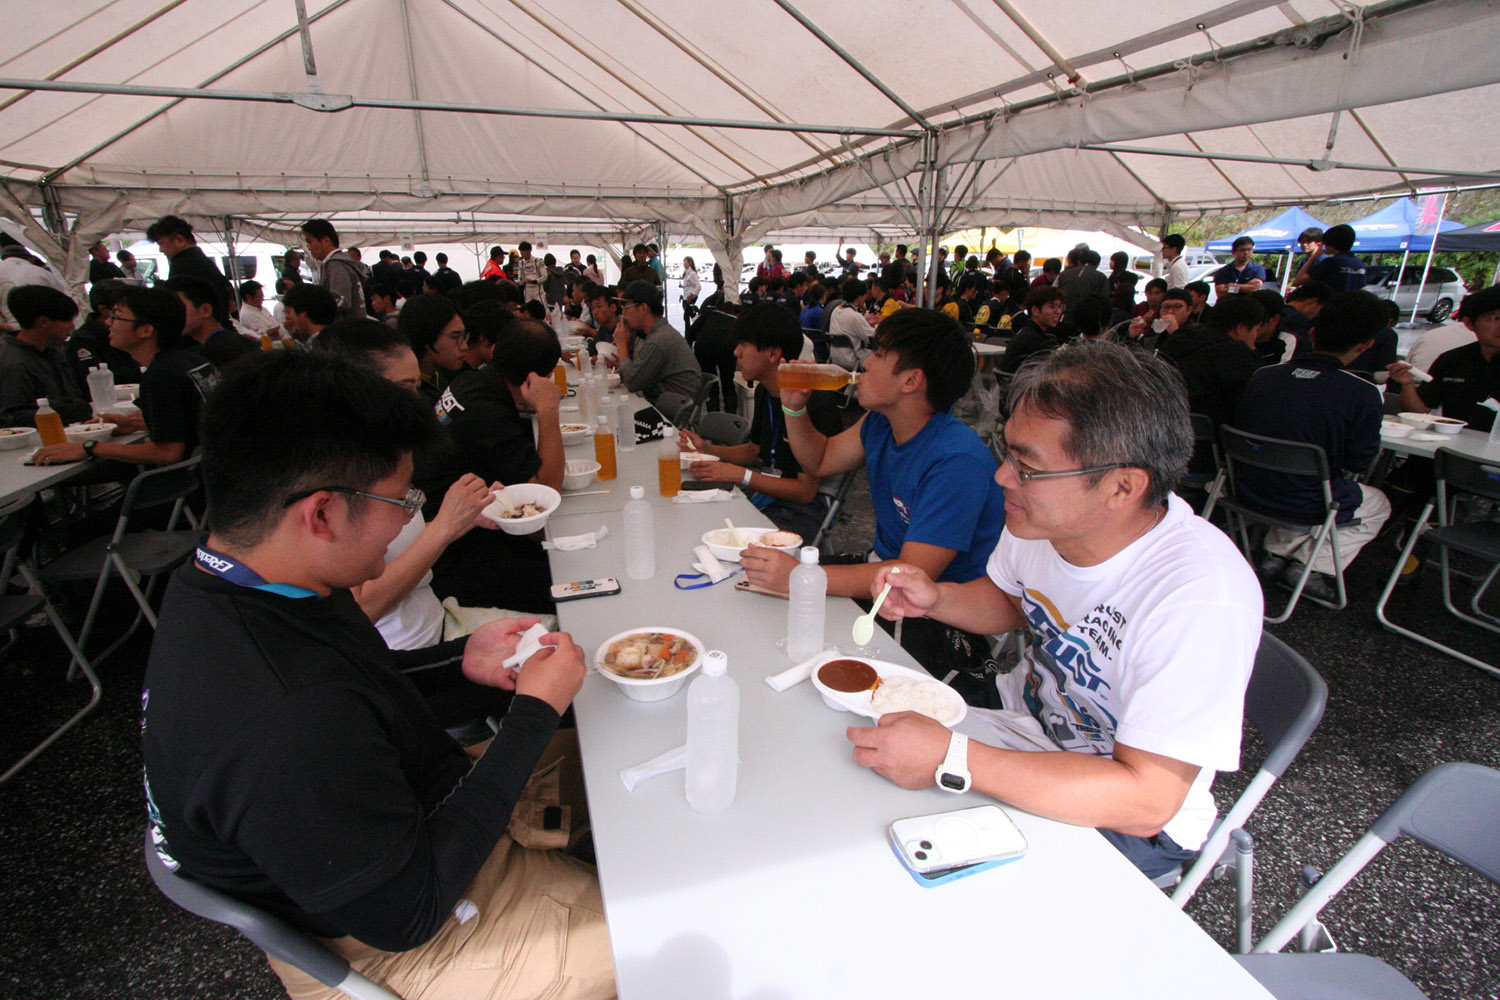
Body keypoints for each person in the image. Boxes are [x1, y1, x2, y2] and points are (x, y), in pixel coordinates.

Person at [141, 350, 613, 1000]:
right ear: (323, 514)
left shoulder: (253, 580)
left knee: (620, 754)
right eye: (400, 500)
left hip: (405, 811)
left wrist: (461, 665)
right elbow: (407, 911)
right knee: (674, 932)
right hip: (399, 923)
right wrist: (530, 716)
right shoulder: (278, 716)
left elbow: (354, 700)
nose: (406, 518)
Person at [851, 340, 1261, 879]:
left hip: (1120, 813)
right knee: (859, 783)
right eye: (1008, 452)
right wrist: (938, 597)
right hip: (1024, 731)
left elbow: (1147, 799)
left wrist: (954, 758)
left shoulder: (1198, 597)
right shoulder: (1041, 523)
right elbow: (1011, 602)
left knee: (909, 872)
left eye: (1028, 467)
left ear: (1122, 486)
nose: (1003, 478)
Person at [740, 309, 1007, 705]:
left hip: (937, 609)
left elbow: (907, 578)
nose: (864, 362)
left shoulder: (956, 461)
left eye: (879, 354)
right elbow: (820, 459)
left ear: (911, 381)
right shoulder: (880, 422)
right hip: (882, 570)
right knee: (765, 611)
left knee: (813, 658)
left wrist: (802, 578)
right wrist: (794, 407)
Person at [1235, 290, 1391, 599]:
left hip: (1244, 487)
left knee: (1300, 473)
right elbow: (1359, 460)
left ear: (1313, 333)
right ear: (1365, 345)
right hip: (1304, 499)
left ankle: (1276, 554)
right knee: (1374, 502)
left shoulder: (1264, 376)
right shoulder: (1363, 393)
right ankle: (1312, 566)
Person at [680, 303, 843, 540]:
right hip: (771, 494)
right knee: (700, 522)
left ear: (773, 354)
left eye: (744, 344)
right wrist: (708, 450)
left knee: (725, 538)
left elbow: (806, 492)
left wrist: (740, 475)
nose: (736, 352)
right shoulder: (765, 391)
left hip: (806, 509)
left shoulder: (815, 401)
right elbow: (754, 449)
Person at [32, 285, 217, 468]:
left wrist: (90, 447)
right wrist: (131, 423)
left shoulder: (161, 375)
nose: (108, 322)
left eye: (116, 317)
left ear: (145, 330)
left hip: (195, 481)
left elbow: (168, 453)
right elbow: (189, 423)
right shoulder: (192, 361)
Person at [1389, 284, 1500, 433]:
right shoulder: (1452, 360)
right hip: (1450, 446)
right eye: (1496, 318)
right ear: (1469, 324)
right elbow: (1419, 413)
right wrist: (1407, 384)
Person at [1157, 293, 1265, 430]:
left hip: (1162, 427)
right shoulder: (1240, 357)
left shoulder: (1178, 339)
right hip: (1213, 439)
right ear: (1241, 328)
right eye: (1256, 330)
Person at [0, 285, 91, 426]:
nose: (72, 326)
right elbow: (12, 416)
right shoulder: (13, 362)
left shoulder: (55, 350)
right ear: (43, 321)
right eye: (67, 320)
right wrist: (72, 411)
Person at [607, 280, 701, 404]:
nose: (623, 313)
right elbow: (638, 373)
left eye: (626, 307)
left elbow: (632, 382)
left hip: (668, 416)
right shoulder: (659, 333)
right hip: (666, 405)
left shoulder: (658, 340)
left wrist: (622, 346)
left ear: (643, 308)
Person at [147, 216, 234, 328]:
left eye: (161, 243)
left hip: (202, 332)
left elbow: (177, 306)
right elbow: (229, 296)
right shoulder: (204, 261)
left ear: (180, 240)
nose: (161, 250)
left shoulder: (183, 265)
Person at [172, 276, 258, 370]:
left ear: (206, 310)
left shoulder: (216, 354)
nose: (173, 313)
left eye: (179, 306)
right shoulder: (238, 342)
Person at [68, 279, 143, 386]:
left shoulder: (131, 327)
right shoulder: (83, 339)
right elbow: (94, 378)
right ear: (103, 309)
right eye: (123, 307)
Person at [300, 219, 366, 322]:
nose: (309, 247)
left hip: (345, 329)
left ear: (326, 241)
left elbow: (341, 301)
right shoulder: (340, 262)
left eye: (309, 241)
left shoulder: (336, 264)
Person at [999, 286, 1064, 375]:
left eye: (1060, 307)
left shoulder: (1024, 332)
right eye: (1052, 307)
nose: (1058, 312)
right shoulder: (1035, 340)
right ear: (1035, 310)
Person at [1292, 223, 1366, 292]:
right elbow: (1362, 288)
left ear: (1331, 243)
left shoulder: (1330, 263)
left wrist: (1313, 257)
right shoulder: (1359, 263)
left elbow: (1297, 281)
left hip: (1333, 303)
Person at [680, 255, 701, 326]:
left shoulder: (692, 274)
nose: (684, 263)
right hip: (686, 296)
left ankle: (691, 329)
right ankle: (695, 325)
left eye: (685, 262)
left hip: (690, 297)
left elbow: (698, 286)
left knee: (686, 316)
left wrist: (692, 294)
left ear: (690, 263)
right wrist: (683, 286)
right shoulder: (686, 273)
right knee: (690, 314)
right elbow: (689, 285)